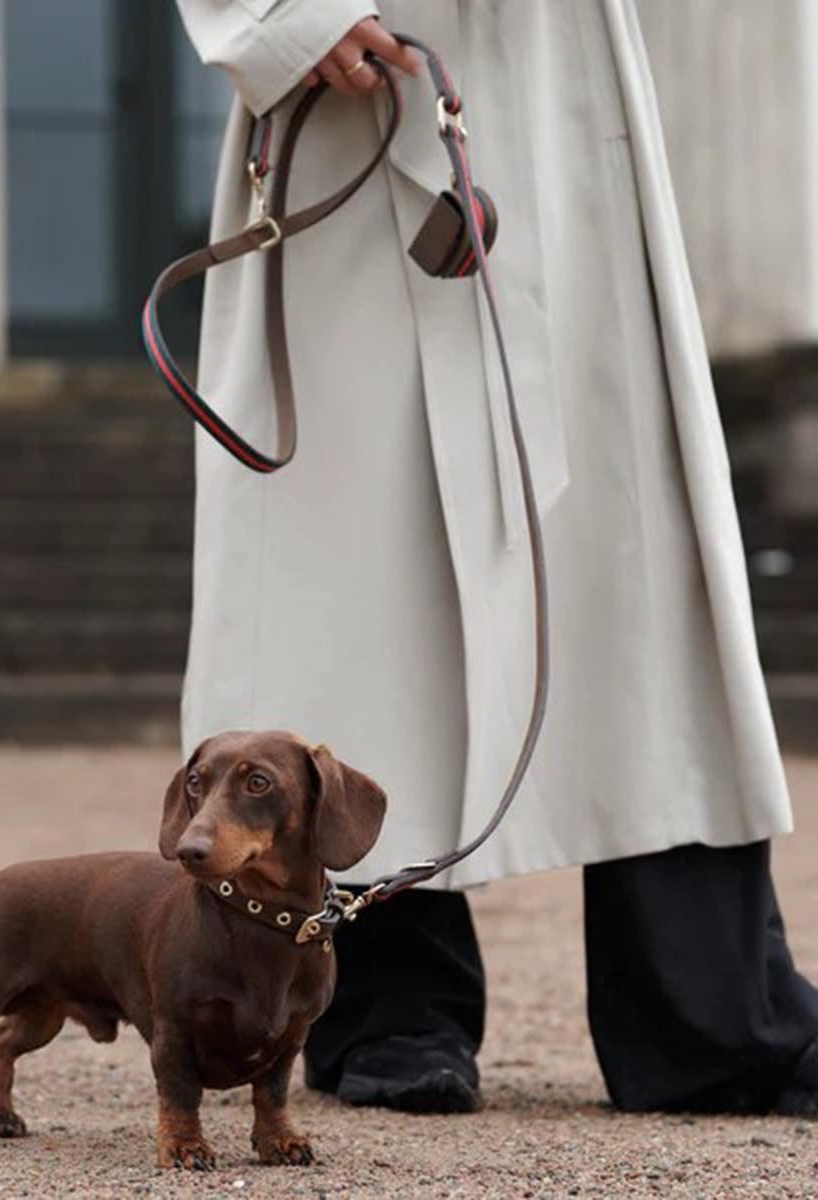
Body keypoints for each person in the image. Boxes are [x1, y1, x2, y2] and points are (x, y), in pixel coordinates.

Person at [171, 0, 818, 1117]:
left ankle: (712, 1015)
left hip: (563, 105)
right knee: (358, 583)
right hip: (360, 88)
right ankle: (386, 1007)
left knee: (637, 581)